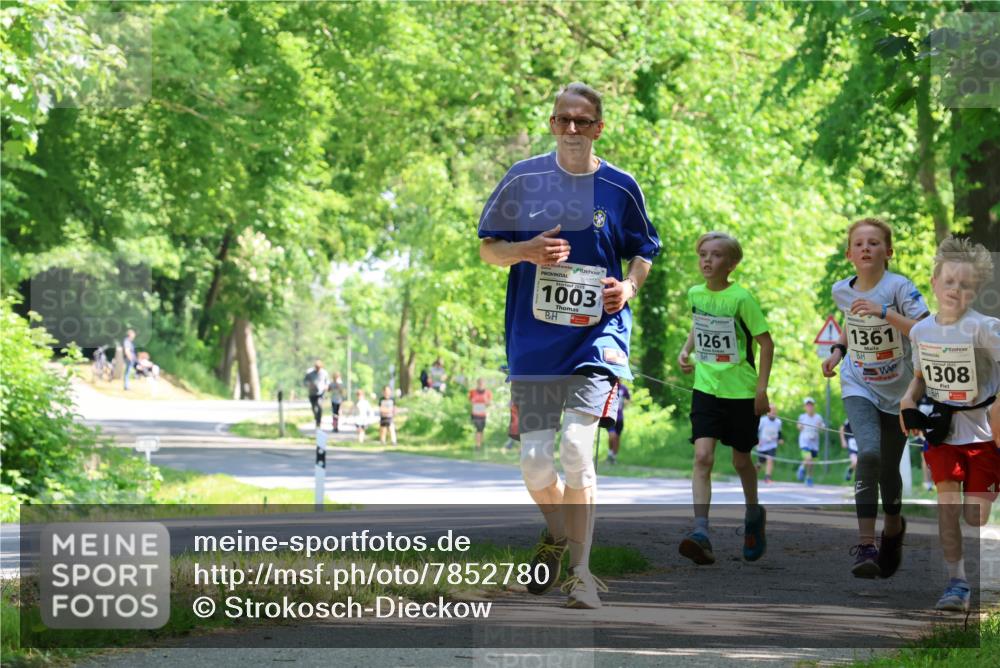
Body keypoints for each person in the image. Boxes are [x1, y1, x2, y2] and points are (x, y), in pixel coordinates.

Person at [478, 81, 660, 609]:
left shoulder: (621, 188)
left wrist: (627, 287)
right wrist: (526, 251)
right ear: (552, 123)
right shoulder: (523, 178)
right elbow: (490, 250)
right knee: (536, 462)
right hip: (534, 342)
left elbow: (644, 250)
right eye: (563, 119)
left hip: (597, 337)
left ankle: (580, 572)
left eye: (583, 120)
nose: (572, 129)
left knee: (578, 450)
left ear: (599, 127)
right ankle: (557, 534)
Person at [821, 218, 929, 579]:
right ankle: (866, 545)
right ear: (849, 253)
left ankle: (894, 527)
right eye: (860, 244)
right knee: (868, 453)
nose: (866, 248)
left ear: (888, 251)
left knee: (888, 473)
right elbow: (853, 326)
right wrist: (838, 352)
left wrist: (885, 313)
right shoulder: (841, 290)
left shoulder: (900, 287)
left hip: (899, 392)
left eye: (874, 243)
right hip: (858, 382)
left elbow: (925, 330)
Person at [901, 236, 1000, 612]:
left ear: (975, 291)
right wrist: (909, 399)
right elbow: (921, 375)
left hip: (984, 434)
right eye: (949, 282)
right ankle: (956, 583)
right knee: (947, 508)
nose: (956, 290)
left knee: (976, 514)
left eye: (965, 285)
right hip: (942, 430)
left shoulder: (984, 328)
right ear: (934, 283)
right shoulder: (921, 331)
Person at [677, 231, 772, 566]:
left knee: (741, 461)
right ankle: (700, 532)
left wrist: (761, 389)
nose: (707, 260)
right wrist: (686, 349)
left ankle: (752, 515)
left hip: (741, 392)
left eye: (716, 255)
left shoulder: (741, 298)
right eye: (703, 253)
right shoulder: (695, 293)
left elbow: (765, 344)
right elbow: (699, 322)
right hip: (706, 388)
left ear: (731, 263)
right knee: (703, 457)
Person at [796, 398, 825, 486]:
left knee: (811, 463)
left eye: (811, 405)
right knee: (808, 458)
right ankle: (801, 468)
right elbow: (798, 426)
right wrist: (800, 426)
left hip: (814, 443)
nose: (809, 407)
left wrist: (820, 426)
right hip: (804, 442)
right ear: (805, 407)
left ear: (813, 406)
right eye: (807, 405)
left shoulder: (818, 417)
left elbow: (823, 429)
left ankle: (809, 478)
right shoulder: (802, 417)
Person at [604, 383, 631, 464]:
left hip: (620, 418)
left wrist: (625, 403)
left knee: (617, 438)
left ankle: (613, 457)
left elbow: (628, 399)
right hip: (610, 417)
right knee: (612, 436)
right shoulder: (609, 387)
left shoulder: (623, 388)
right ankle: (610, 452)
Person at [756, 404, 783, 484]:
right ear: (767, 412)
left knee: (770, 459)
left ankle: (767, 477)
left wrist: (780, 439)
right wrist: (757, 441)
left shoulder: (778, 422)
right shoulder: (763, 420)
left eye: (774, 410)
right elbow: (756, 431)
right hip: (762, 445)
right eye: (771, 410)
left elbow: (779, 433)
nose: (773, 412)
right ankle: (751, 475)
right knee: (760, 463)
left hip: (772, 445)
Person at [303, 360, 330, 428]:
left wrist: (326, 387)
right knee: (314, 407)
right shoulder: (309, 372)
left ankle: (318, 421)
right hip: (312, 393)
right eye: (317, 367)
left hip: (320, 393)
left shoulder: (324, 373)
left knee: (319, 406)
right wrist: (309, 384)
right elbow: (305, 381)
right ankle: (316, 417)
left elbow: (327, 382)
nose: (318, 369)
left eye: (319, 367)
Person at [469, 378, 493, 450]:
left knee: (481, 430)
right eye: (479, 383)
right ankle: (478, 445)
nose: (480, 384)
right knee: (478, 429)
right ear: (477, 383)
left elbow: (489, 403)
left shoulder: (488, 392)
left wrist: (486, 403)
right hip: (475, 413)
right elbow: (470, 401)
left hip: (483, 414)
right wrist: (474, 402)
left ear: (484, 384)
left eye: (482, 383)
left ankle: (480, 444)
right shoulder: (472, 392)